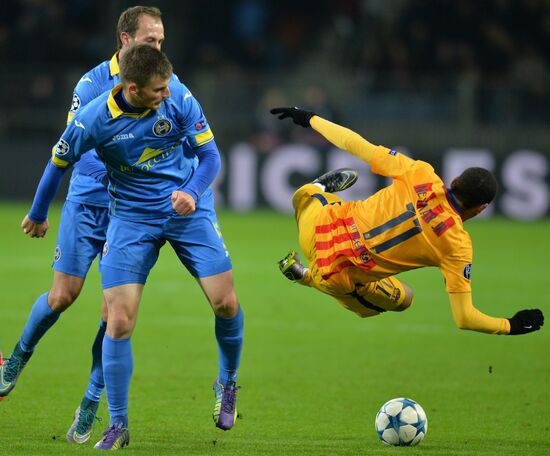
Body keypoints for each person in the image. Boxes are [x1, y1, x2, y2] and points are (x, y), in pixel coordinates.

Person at [10, 44, 245, 449]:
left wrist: (191, 191)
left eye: (167, 86)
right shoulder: (92, 120)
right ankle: (118, 425)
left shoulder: (180, 96)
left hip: (188, 210)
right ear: (132, 89)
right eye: (157, 90)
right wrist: (37, 213)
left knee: (225, 303)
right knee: (118, 321)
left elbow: (210, 156)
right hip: (132, 219)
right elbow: (57, 164)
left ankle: (227, 382)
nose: (166, 95)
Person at [0, 6, 169, 445]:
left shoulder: (163, 86)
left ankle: (92, 398)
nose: (157, 49)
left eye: (161, 42)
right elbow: (71, 144)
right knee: (62, 295)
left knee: (114, 314)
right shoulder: (92, 84)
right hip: (88, 200)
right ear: (125, 40)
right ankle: (16, 359)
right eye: (150, 41)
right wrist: (40, 210)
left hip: (129, 210)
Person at [270, 107, 544, 336]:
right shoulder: (457, 246)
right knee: (404, 300)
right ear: (481, 209)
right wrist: (512, 325)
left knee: (302, 196)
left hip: (317, 226)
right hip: (336, 273)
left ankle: (317, 189)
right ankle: (306, 277)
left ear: (455, 181)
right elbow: (465, 318)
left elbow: (357, 144)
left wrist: (310, 119)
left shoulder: (420, 173)